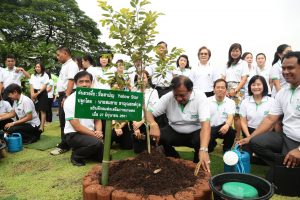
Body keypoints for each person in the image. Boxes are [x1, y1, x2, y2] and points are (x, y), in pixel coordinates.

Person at [238, 51, 300, 176]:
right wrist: (249, 138)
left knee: (280, 184)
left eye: (290, 68)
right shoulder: (283, 92)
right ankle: (283, 163)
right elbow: (270, 119)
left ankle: (287, 165)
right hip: (286, 137)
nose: (286, 72)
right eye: (283, 68)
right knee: (255, 142)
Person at [146, 75, 211, 172]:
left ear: (190, 91)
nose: (179, 99)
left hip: (195, 131)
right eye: (176, 95)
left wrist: (204, 149)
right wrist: (153, 124)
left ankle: (199, 163)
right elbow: (148, 112)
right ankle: (173, 158)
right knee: (155, 137)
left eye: (182, 95)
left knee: (202, 140)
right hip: (174, 130)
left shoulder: (200, 97)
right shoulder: (168, 97)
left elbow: (206, 125)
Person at [64, 71, 104, 166]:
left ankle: (88, 150)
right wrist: (95, 135)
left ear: (91, 83)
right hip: (73, 134)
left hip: (90, 133)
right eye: (81, 82)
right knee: (96, 143)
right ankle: (76, 155)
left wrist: (99, 131)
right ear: (76, 84)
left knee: (103, 157)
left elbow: (98, 120)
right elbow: (77, 127)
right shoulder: (70, 101)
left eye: (87, 81)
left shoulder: (94, 99)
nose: (85, 84)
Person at [50, 47, 79, 155]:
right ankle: (66, 142)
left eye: (58, 55)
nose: (57, 57)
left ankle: (65, 145)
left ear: (65, 53)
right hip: (63, 94)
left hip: (68, 94)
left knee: (65, 119)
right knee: (63, 120)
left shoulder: (72, 65)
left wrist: (66, 97)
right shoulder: (65, 65)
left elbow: (71, 81)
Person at [222, 43, 249, 141]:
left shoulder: (243, 63)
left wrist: (236, 90)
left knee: (237, 116)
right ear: (230, 52)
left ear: (240, 52)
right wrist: (224, 89)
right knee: (227, 114)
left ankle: (237, 138)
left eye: (237, 51)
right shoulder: (227, 64)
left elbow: (244, 78)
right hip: (226, 90)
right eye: (233, 51)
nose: (235, 53)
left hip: (238, 90)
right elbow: (223, 77)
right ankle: (227, 138)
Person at [131, 70, 159, 153]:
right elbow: (132, 110)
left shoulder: (153, 92)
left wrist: (142, 122)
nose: (141, 80)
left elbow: (154, 110)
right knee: (138, 150)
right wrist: (135, 126)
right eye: (139, 78)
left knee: (150, 148)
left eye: (143, 78)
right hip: (136, 122)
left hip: (149, 122)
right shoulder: (133, 92)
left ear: (148, 79)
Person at [208, 79, 236, 153]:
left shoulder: (231, 102)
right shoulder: (206, 101)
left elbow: (231, 116)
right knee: (209, 149)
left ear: (226, 90)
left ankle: (227, 148)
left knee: (231, 131)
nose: (220, 89)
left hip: (223, 128)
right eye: (218, 87)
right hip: (209, 128)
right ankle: (213, 144)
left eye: (222, 87)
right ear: (214, 89)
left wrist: (227, 125)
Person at [29, 62, 49, 132]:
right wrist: (32, 94)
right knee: (34, 110)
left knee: (42, 110)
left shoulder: (45, 75)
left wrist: (37, 93)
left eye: (39, 67)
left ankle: (41, 126)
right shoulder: (32, 75)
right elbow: (31, 85)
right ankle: (35, 125)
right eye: (36, 67)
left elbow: (44, 86)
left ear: (42, 68)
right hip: (34, 92)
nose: (37, 68)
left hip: (42, 93)